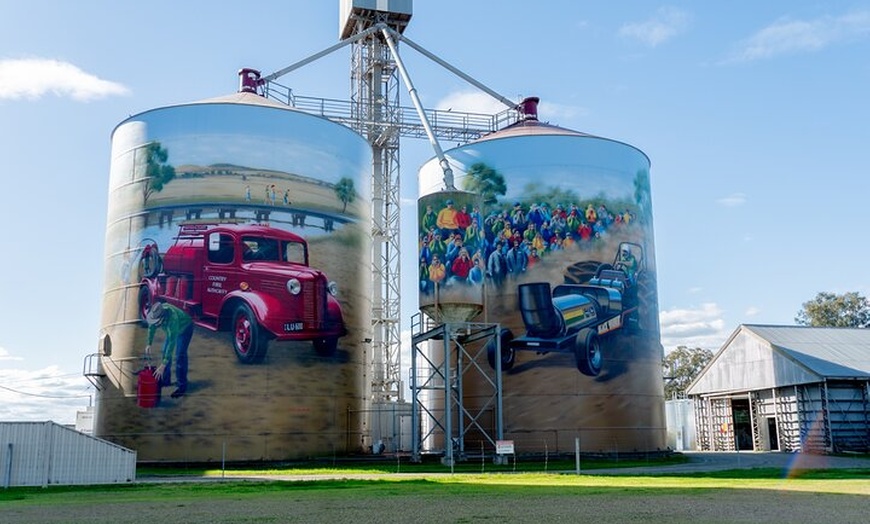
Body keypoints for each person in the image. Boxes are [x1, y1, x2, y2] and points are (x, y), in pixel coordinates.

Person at [145, 302, 194, 398]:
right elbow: (151, 327)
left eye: (157, 323)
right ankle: (166, 380)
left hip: (185, 328)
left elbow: (172, 342)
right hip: (173, 331)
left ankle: (182, 386)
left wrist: (163, 365)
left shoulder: (173, 319)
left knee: (180, 355)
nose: (156, 325)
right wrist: (149, 343)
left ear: (162, 318)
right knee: (164, 352)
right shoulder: (155, 314)